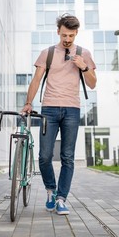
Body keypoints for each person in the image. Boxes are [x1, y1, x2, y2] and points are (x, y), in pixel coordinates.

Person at [21, 14, 97, 215]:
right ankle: (51, 191)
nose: (67, 39)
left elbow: (92, 83)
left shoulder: (84, 53)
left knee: (67, 157)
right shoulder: (47, 53)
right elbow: (37, 80)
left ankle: (62, 199)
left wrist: (84, 66)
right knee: (44, 156)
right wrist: (29, 103)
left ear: (76, 33)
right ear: (58, 32)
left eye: (71, 35)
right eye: (64, 35)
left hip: (72, 109)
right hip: (49, 109)